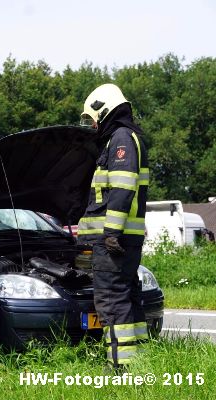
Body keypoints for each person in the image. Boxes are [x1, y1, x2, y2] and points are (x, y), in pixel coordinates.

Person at [77, 84, 150, 370]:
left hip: (114, 241)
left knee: (111, 301)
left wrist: (110, 232)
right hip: (124, 238)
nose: (92, 125)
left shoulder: (120, 138)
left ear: (103, 110)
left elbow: (121, 187)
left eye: (92, 118)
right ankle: (141, 359)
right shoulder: (128, 137)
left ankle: (119, 366)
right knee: (129, 297)